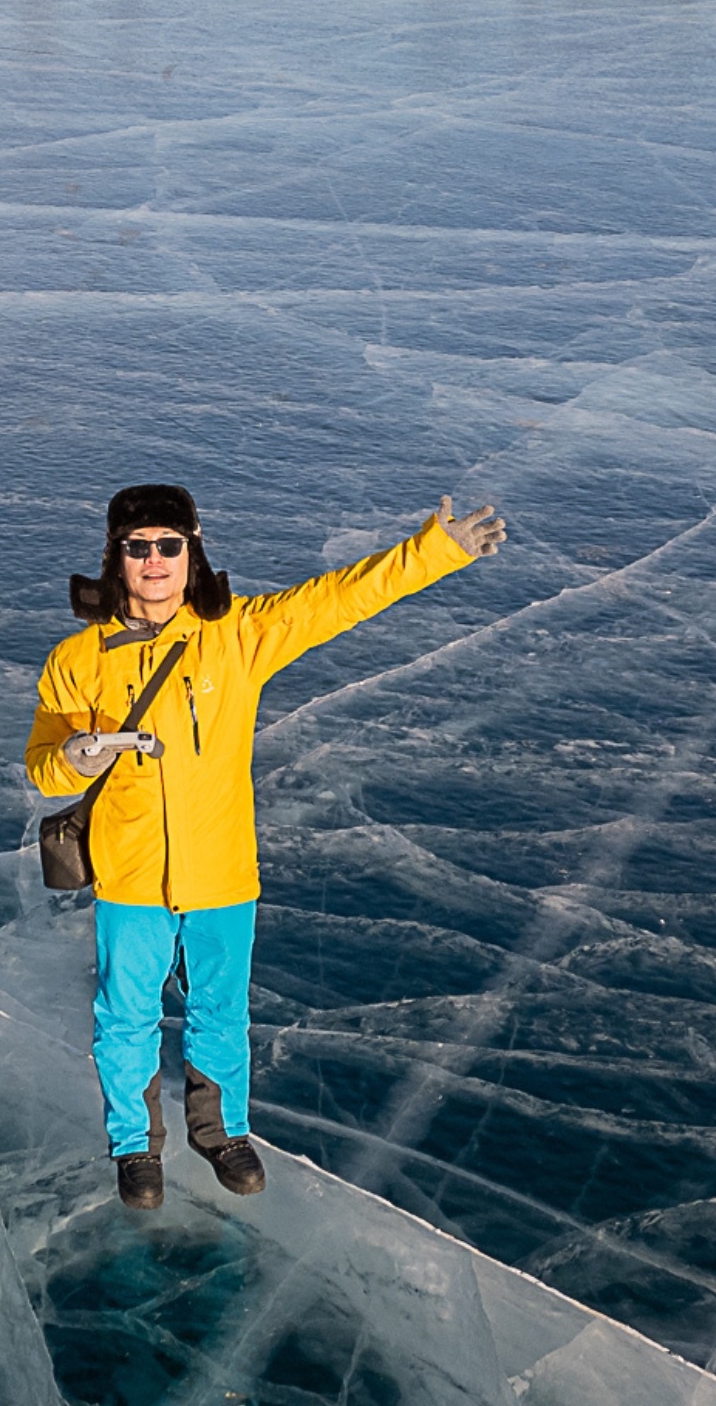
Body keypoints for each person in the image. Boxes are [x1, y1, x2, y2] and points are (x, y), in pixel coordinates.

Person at [25, 484, 507, 1210]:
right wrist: (75, 758)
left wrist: (435, 551)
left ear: (192, 553)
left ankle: (221, 1133)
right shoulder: (76, 659)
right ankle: (134, 1147)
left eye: (168, 545)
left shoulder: (239, 635)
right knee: (125, 1019)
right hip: (129, 873)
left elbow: (338, 599)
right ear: (115, 557)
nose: (154, 560)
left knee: (220, 1011)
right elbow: (42, 764)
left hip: (221, 869)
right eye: (137, 546)